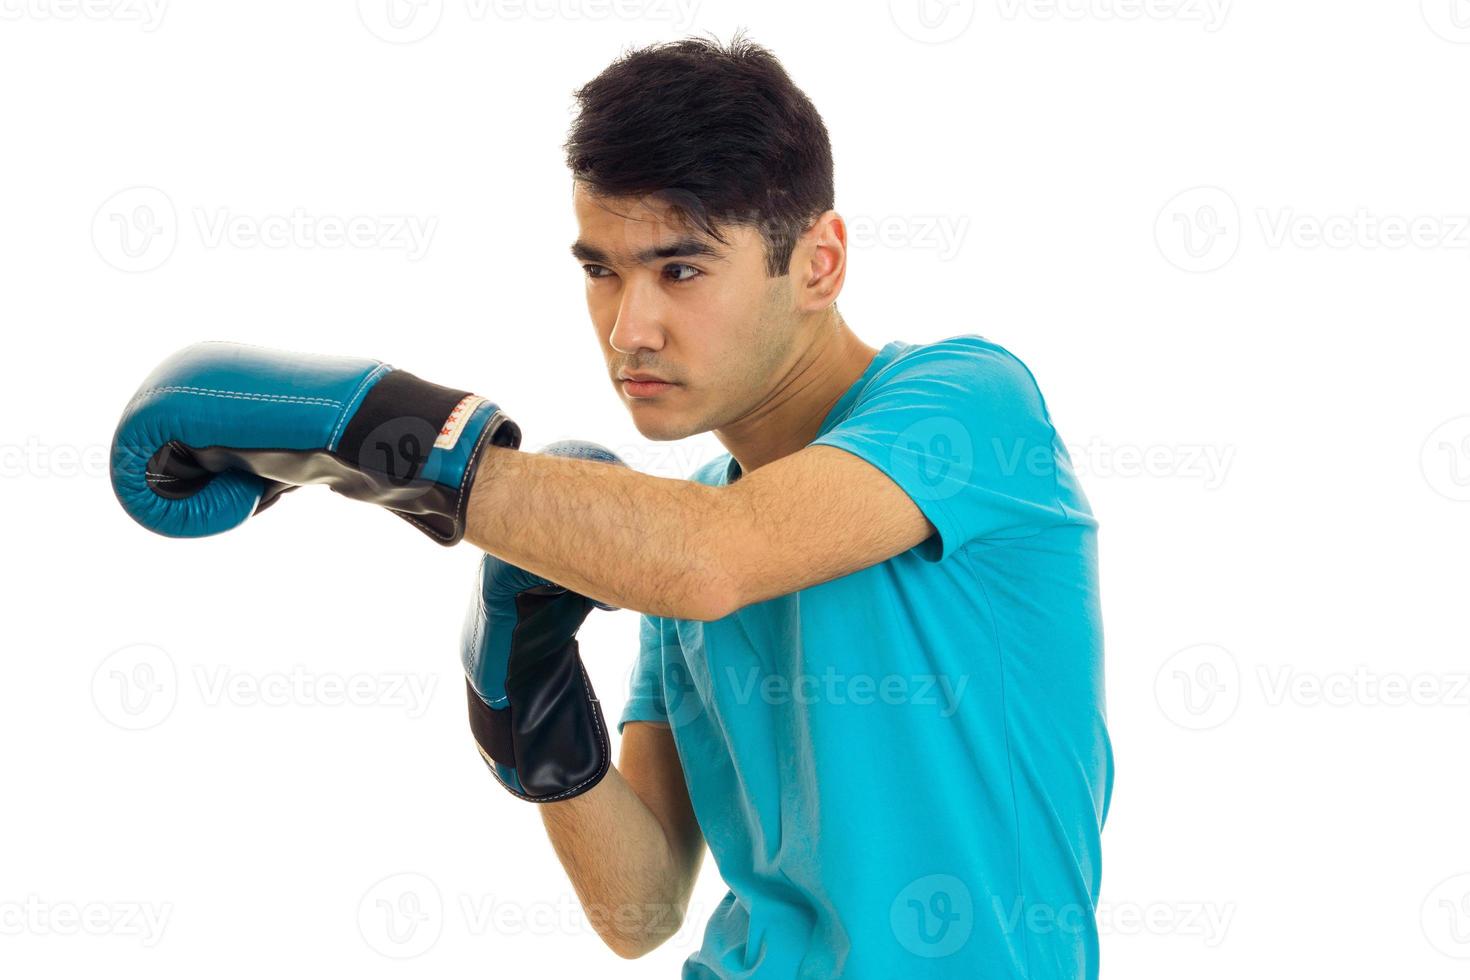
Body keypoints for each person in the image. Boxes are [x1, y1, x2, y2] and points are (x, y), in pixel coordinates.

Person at [110, 32, 1112, 980]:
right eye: (601, 269)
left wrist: (367, 433)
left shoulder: (968, 405)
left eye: (680, 268)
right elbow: (639, 905)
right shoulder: (683, 533)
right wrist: (529, 691)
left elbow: (706, 560)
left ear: (819, 261)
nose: (630, 327)